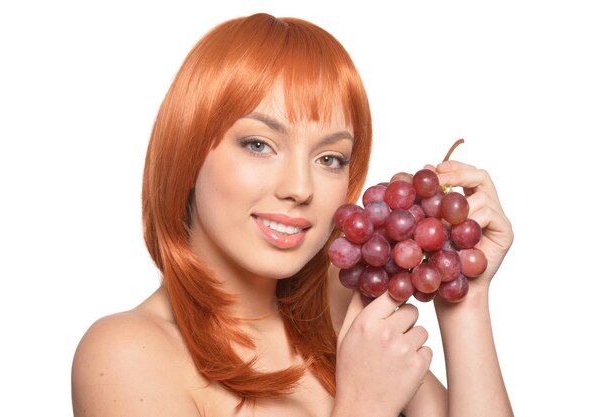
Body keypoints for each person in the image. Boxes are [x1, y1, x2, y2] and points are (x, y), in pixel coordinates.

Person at [71, 13, 514, 417]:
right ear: (188, 152)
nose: (300, 189)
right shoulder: (125, 353)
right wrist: (364, 406)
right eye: (259, 145)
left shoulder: (343, 308)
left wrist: (466, 298)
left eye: (330, 159)